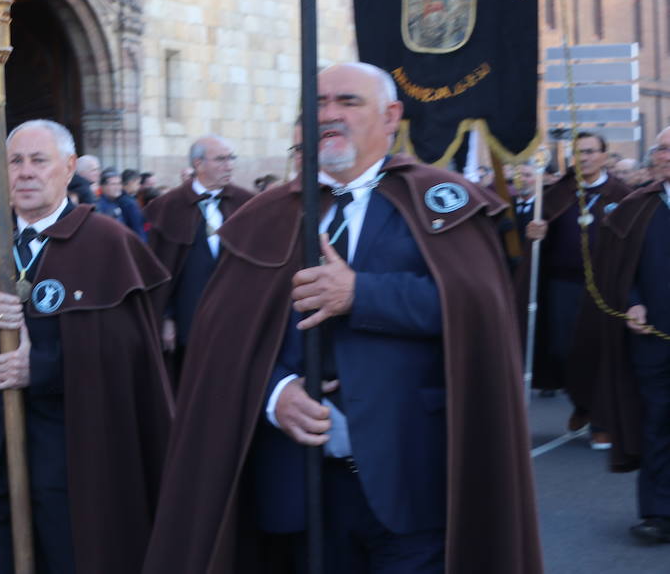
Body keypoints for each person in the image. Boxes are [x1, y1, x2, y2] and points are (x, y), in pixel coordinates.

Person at [143, 63, 541, 574]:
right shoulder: (266, 216)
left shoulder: (441, 202)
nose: (329, 115)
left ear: (391, 115)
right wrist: (273, 394)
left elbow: (480, 310)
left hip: (410, 474)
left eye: (348, 102)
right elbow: (224, 338)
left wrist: (362, 294)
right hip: (296, 481)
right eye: (317, 105)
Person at [0, 119, 172, 574]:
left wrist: (44, 367)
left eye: (39, 160)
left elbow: (127, 354)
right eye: (15, 161)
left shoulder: (108, 243)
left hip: (73, 460)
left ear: (68, 167)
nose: (25, 172)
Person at [590, 127, 670, 543]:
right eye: (661, 149)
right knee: (657, 422)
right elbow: (618, 266)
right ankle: (658, 512)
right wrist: (631, 301)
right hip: (652, 335)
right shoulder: (638, 207)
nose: (665, 155)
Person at [526, 131, 631, 444]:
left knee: (601, 350)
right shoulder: (558, 193)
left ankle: (602, 419)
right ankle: (581, 404)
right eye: (578, 152)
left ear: (603, 155)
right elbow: (536, 234)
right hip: (563, 284)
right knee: (562, 349)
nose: (583, 158)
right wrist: (534, 232)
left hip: (605, 286)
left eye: (589, 152)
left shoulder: (621, 194)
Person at [144, 135, 253, 386]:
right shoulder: (166, 207)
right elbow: (157, 269)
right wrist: (165, 317)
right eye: (221, 159)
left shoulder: (247, 203)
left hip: (235, 317)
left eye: (231, 158)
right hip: (188, 317)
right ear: (198, 164)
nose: (229, 165)